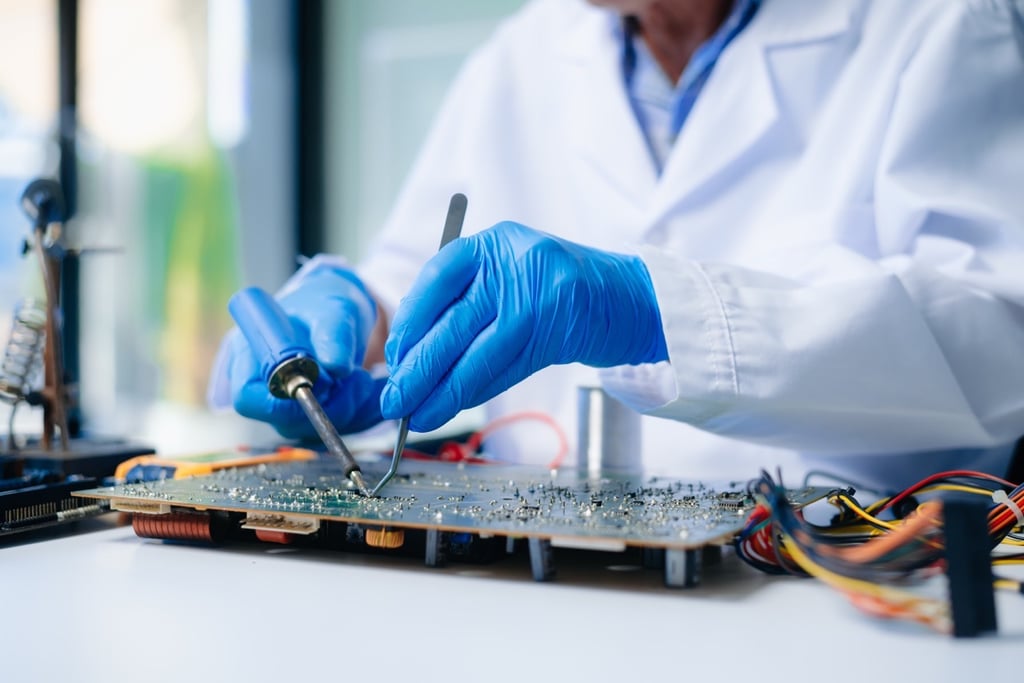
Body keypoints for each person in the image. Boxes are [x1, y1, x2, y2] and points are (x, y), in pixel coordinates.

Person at [211, 0, 1024, 492]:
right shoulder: (525, 51)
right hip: (530, 574)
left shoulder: (937, 20)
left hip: (824, 578)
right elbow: (422, 272)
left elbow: (1000, 335)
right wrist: (353, 316)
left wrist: (656, 312)